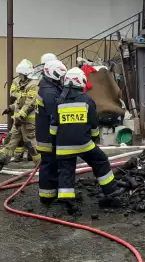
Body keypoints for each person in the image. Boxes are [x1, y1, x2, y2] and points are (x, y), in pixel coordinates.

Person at [49, 67, 122, 213]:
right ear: (81, 81)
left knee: (66, 171)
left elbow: (53, 127)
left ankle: (68, 202)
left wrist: (54, 144)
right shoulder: (87, 100)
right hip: (84, 144)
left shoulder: (59, 102)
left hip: (63, 146)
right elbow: (94, 125)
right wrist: (94, 139)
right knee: (101, 161)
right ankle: (110, 193)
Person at [0, 59, 40, 170]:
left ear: (26, 74)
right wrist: (11, 108)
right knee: (11, 139)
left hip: (28, 121)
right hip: (19, 120)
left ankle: (41, 165)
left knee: (31, 144)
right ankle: (0, 161)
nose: (19, 76)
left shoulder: (33, 85)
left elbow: (29, 103)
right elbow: (19, 102)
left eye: (21, 74)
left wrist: (20, 116)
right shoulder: (22, 84)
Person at [35, 57, 67, 203]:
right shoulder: (50, 93)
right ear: (54, 76)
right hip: (48, 136)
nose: (62, 80)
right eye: (60, 77)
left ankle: (50, 193)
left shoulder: (47, 86)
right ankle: (47, 196)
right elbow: (55, 115)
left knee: (50, 164)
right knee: (49, 164)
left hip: (44, 133)